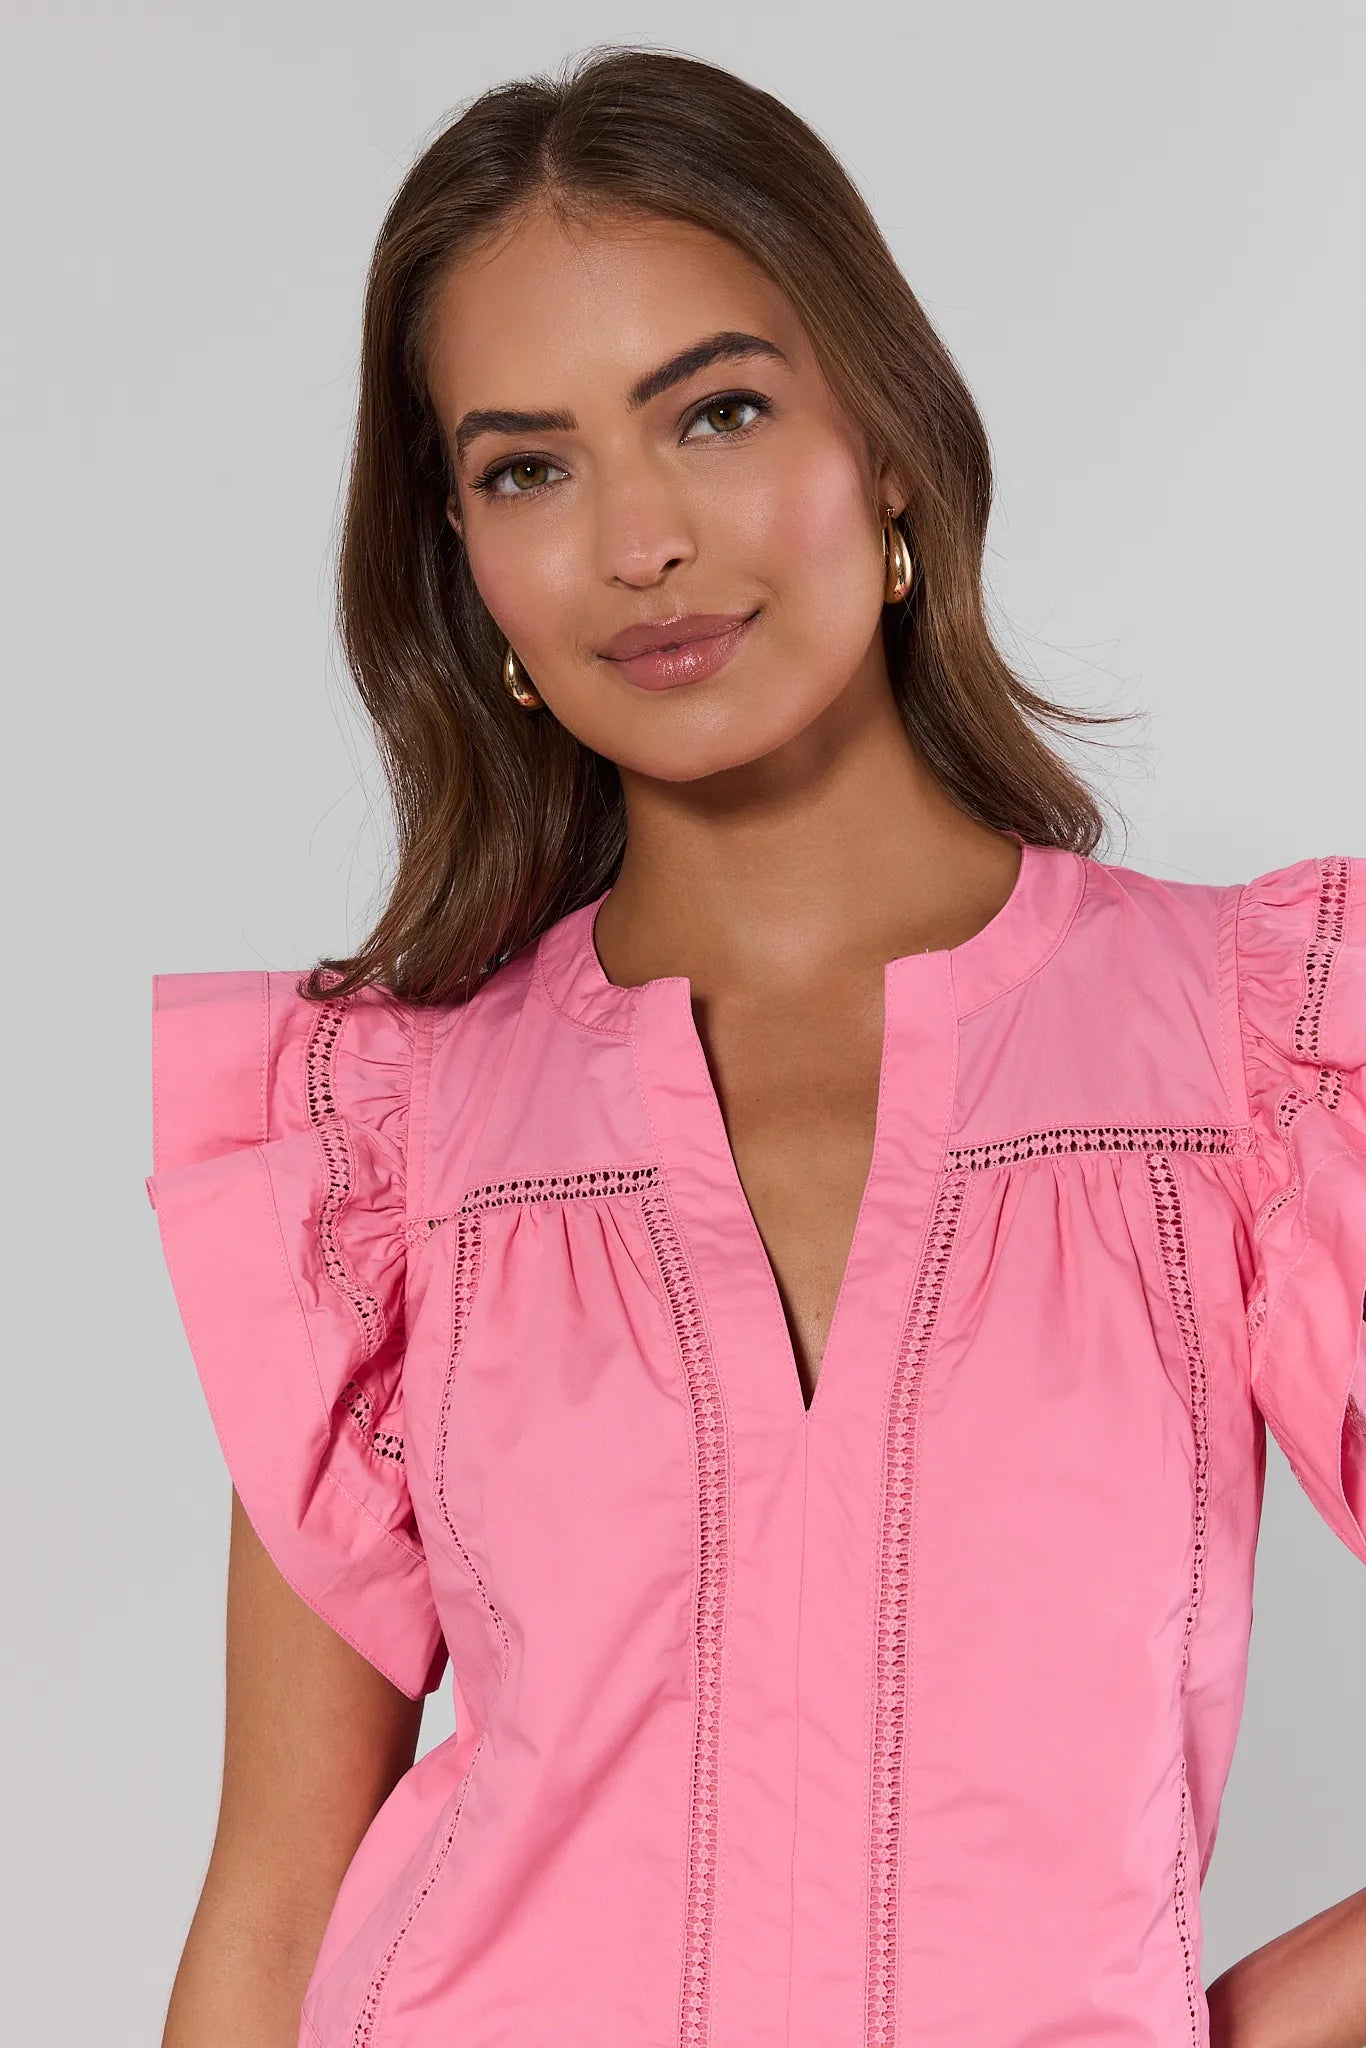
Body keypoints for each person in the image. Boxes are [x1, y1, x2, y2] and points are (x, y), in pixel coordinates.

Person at [146, 44, 1366, 2048]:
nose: (640, 541)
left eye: (712, 412)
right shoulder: (393, 1140)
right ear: (464, 567)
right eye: (525, 466)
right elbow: (270, 1904)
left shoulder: (1245, 1055)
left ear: (882, 443)